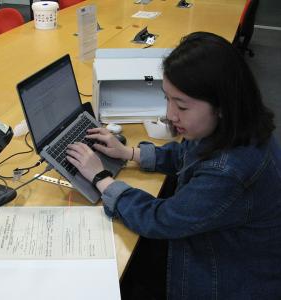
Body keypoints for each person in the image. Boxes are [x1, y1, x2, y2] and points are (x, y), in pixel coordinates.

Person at [66, 31, 281, 299]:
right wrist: (128, 152)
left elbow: (162, 220)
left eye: (181, 105)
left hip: (224, 280)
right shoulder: (233, 126)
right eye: (167, 98)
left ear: (222, 105)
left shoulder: (230, 170)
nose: (169, 114)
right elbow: (185, 154)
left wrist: (101, 177)